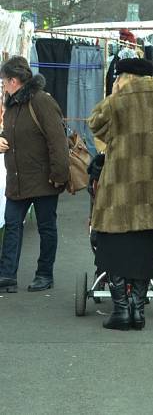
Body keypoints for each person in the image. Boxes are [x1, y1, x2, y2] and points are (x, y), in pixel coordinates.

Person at [88, 58, 153, 331]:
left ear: (125, 77)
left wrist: (115, 95)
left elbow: (94, 124)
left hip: (119, 191)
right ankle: (138, 311)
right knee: (145, 249)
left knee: (113, 248)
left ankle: (120, 310)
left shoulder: (116, 104)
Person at [0, 57, 69, 293]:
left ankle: (44, 273)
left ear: (14, 80)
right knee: (11, 224)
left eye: (4, 82)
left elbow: (58, 141)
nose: (3, 86)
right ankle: (7, 275)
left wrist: (59, 175)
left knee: (46, 227)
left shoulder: (42, 102)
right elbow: (14, 134)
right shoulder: (11, 104)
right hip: (18, 178)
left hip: (44, 178)